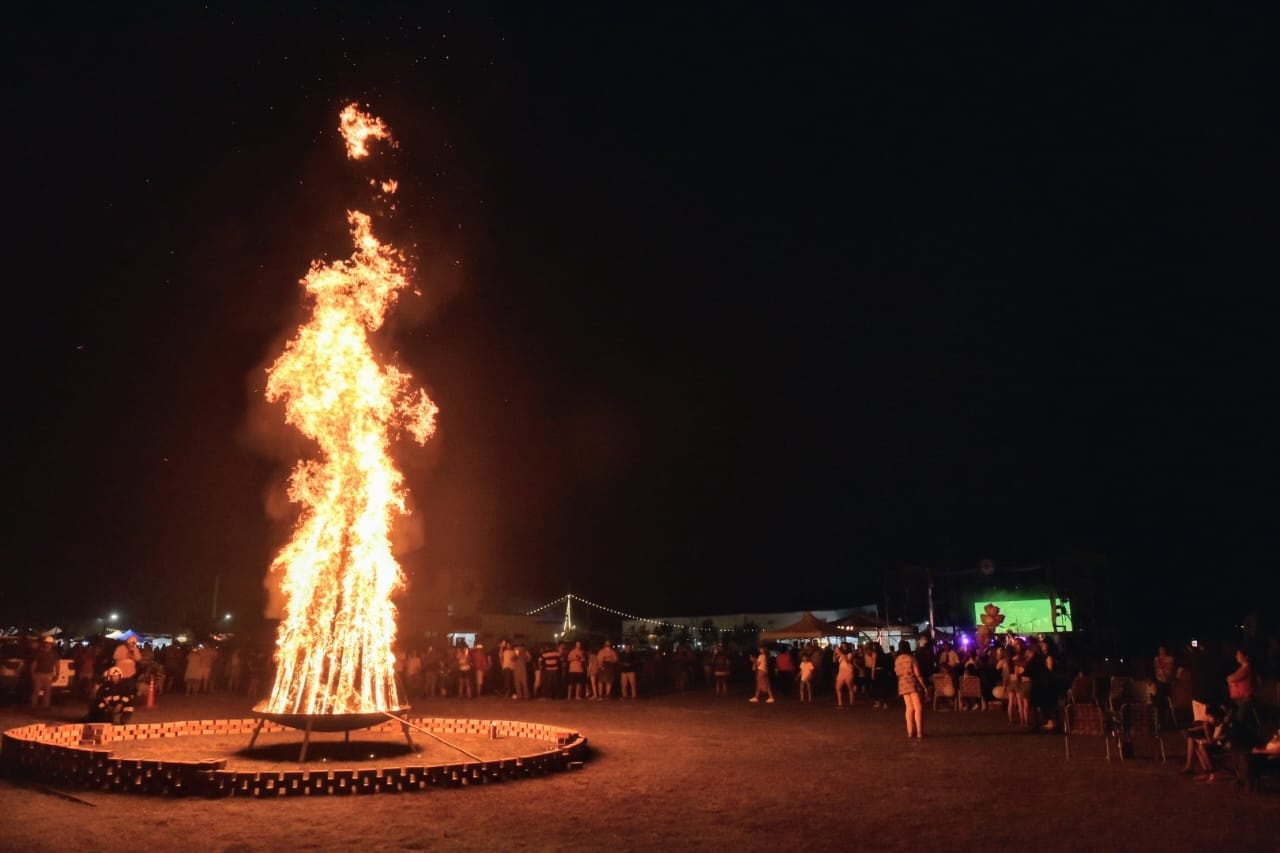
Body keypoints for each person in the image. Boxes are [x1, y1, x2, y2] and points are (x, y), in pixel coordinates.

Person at [895, 640, 924, 738]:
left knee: (909, 708)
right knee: (918, 707)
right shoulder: (911, 658)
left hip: (902, 684)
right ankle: (919, 731)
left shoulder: (897, 659)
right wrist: (924, 686)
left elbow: (897, 673)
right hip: (912, 683)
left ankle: (910, 731)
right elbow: (918, 673)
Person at [30, 636, 59, 710]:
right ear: (45, 644)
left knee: (47, 692)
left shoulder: (54, 654)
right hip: (39, 674)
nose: (48, 645)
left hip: (49, 674)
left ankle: (45, 706)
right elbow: (34, 663)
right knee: (36, 691)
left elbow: (57, 664)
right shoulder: (40, 653)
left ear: (52, 644)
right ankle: (33, 706)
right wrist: (33, 673)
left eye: (49, 643)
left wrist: (57, 674)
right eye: (47, 643)